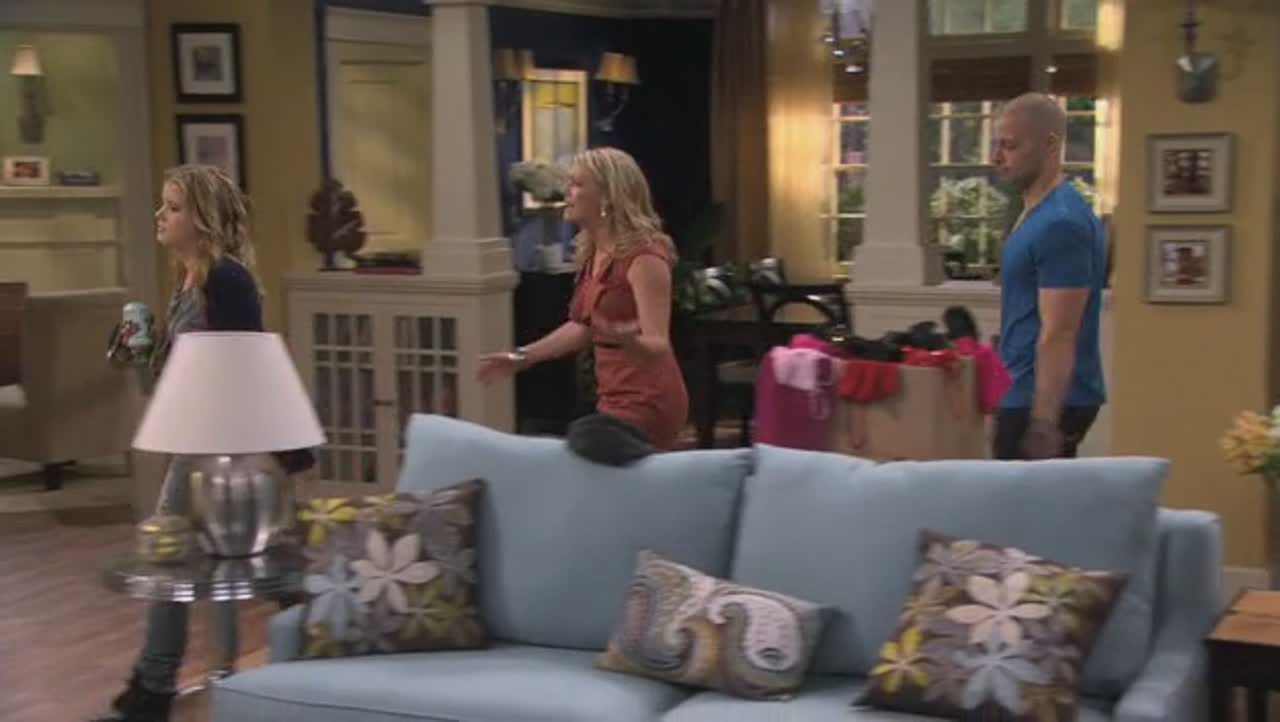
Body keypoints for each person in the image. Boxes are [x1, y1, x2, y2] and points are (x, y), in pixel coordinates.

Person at [95, 164, 312, 722]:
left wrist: (275, 452)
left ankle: (163, 686)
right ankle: (161, 684)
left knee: (244, 565)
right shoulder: (186, 281)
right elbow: (174, 379)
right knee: (195, 564)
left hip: (229, 447)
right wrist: (138, 352)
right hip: (195, 439)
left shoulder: (228, 280)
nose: (159, 215)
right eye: (162, 205)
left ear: (203, 218)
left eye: (172, 207)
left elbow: (244, 364)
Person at [478, 147, 689, 451]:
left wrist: (628, 340)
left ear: (608, 197)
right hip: (613, 398)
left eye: (577, 184)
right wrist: (521, 357)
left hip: (648, 400)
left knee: (581, 445)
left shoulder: (644, 257)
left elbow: (658, 343)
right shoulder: (593, 252)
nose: (567, 191)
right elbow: (581, 327)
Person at [990, 92, 1107, 460]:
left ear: (1050, 145)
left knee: (1022, 500)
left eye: (1010, 146)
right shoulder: (1035, 215)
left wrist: (1043, 422)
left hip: (1040, 401)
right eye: (998, 145)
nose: (998, 158)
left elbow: (1060, 332)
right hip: (1020, 390)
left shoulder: (1061, 223)